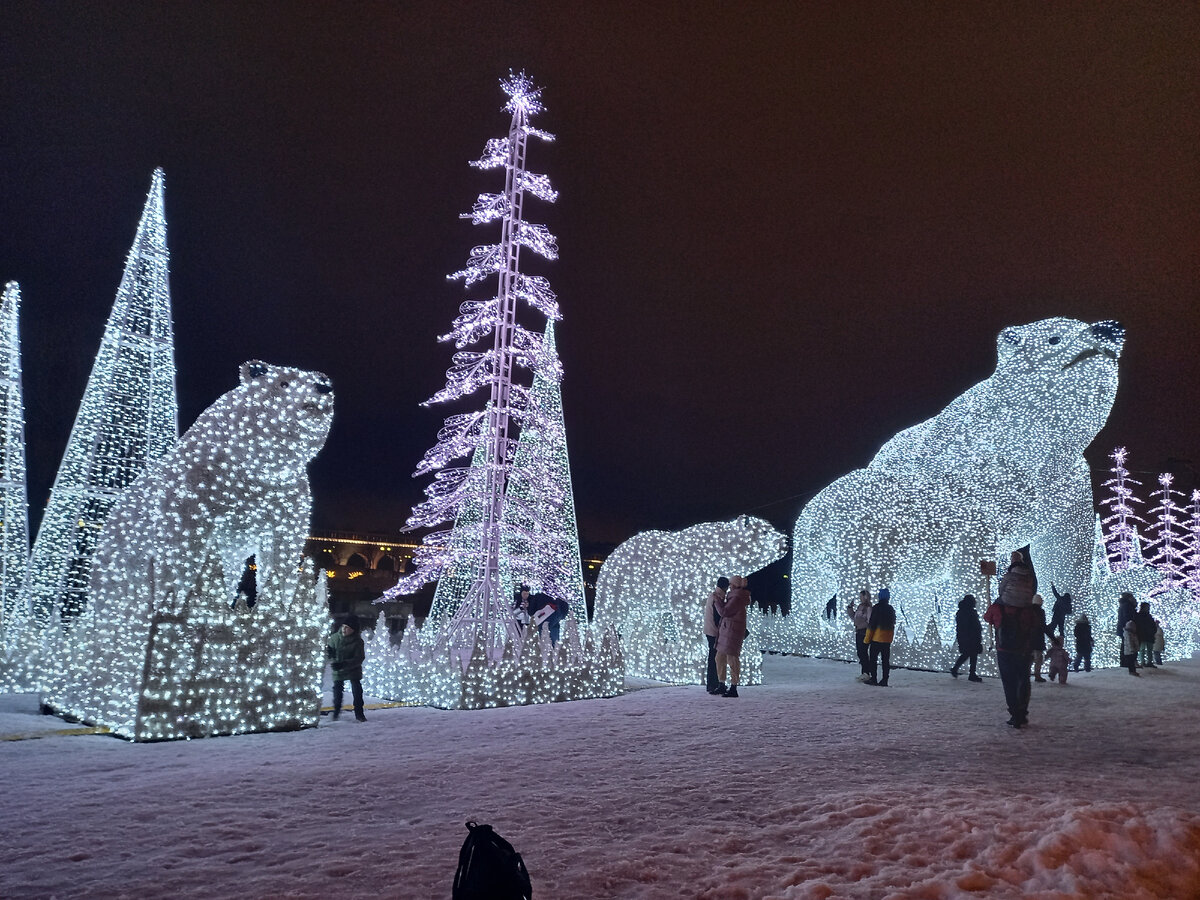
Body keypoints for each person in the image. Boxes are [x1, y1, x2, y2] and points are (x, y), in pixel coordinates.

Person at [983, 550, 1038, 727]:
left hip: (1005, 648)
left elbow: (987, 618)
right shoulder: (1029, 609)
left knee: (1009, 681)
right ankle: (1022, 712)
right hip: (1024, 648)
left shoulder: (999, 607)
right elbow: (1035, 624)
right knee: (1023, 679)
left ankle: (1014, 713)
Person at [713, 575, 753, 698]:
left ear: (734, 585)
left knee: (731, 660)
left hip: (732, 632)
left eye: (731, 584)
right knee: (720, 658)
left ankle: (732, 687)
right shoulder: (734, 597)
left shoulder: (737, 598)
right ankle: (723, 684)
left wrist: (717, 602)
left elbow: (724, 612)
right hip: (729, 631)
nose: (729, 586)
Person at [327, 615, 367, 722]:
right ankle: (336, 711)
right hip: (338, 668)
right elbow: (328, 653)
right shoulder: (334, 638)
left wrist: (345, 664)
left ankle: (359, 713)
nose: (344, 629)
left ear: (353, 630)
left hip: (353, 669)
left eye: (347, 628)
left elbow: (359, 658)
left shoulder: (358, 641)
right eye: (343, 626)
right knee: (337, 690)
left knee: (357, 690)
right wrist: (329, 652)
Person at [864, 588, 896, 686]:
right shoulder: (891, 609)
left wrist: (867, 639)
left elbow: (872, 625)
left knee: (873, 659)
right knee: (885, 661)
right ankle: (885, 680)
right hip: (887, 640)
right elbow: (893, 624)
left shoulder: (877, 608)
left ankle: (874, 679)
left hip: (876, 638)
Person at [950, 594, 984, 682]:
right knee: (971, 654)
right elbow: (971, 625)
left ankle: (958, 669)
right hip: (970, 637)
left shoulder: (963, 611)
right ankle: (971, 673)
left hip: (967, 637)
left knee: (968, 654)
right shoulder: (968, 612)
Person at [703, 577, 729, 694]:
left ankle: (713, 683)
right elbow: (718, 617)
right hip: (713, 632)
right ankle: (713, 684)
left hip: (709, 631)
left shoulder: (713, 595)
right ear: (725, 587)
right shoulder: (717, 598)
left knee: (714, 658)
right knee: (715, 658)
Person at [847, 589, 873, 681]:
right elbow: (854, 618)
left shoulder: (868, 608)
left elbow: (869, 620)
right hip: (859, 631)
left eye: (861, 596)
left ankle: (866, 672)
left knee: (863, 652)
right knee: (860, 652)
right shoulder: (860, 607)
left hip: (864, 632)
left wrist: (862, 626)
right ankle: (864, 672)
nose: (860, 598)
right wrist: (850, 608)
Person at [1116, 592, 1137, 670]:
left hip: (1125, 628)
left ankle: (1126, 662)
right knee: (1127, 645)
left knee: (1126, 645)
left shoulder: (1125, 605)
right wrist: (1129, 626)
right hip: (1127, 629)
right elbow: (1127, 617)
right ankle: (1126, 662)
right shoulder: (1127, 606)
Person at [1031, 594, 1048, 682]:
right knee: (1038, 659)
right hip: (1038, 639)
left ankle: (1025, 675)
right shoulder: (1040, 612)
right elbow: (1043, 626)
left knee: (1028, 659)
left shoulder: (1027, 611)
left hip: (1028, 639)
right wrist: (1052, 637)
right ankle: (1037, 675)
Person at [1135, 601, 1157, 668]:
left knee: (1145, 649)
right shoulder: (1146, 616)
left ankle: (1146, 662)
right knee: (1144, 649)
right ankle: (1145, 662)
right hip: (1145, 635)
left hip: (1145, 635)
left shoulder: (1141, 615)